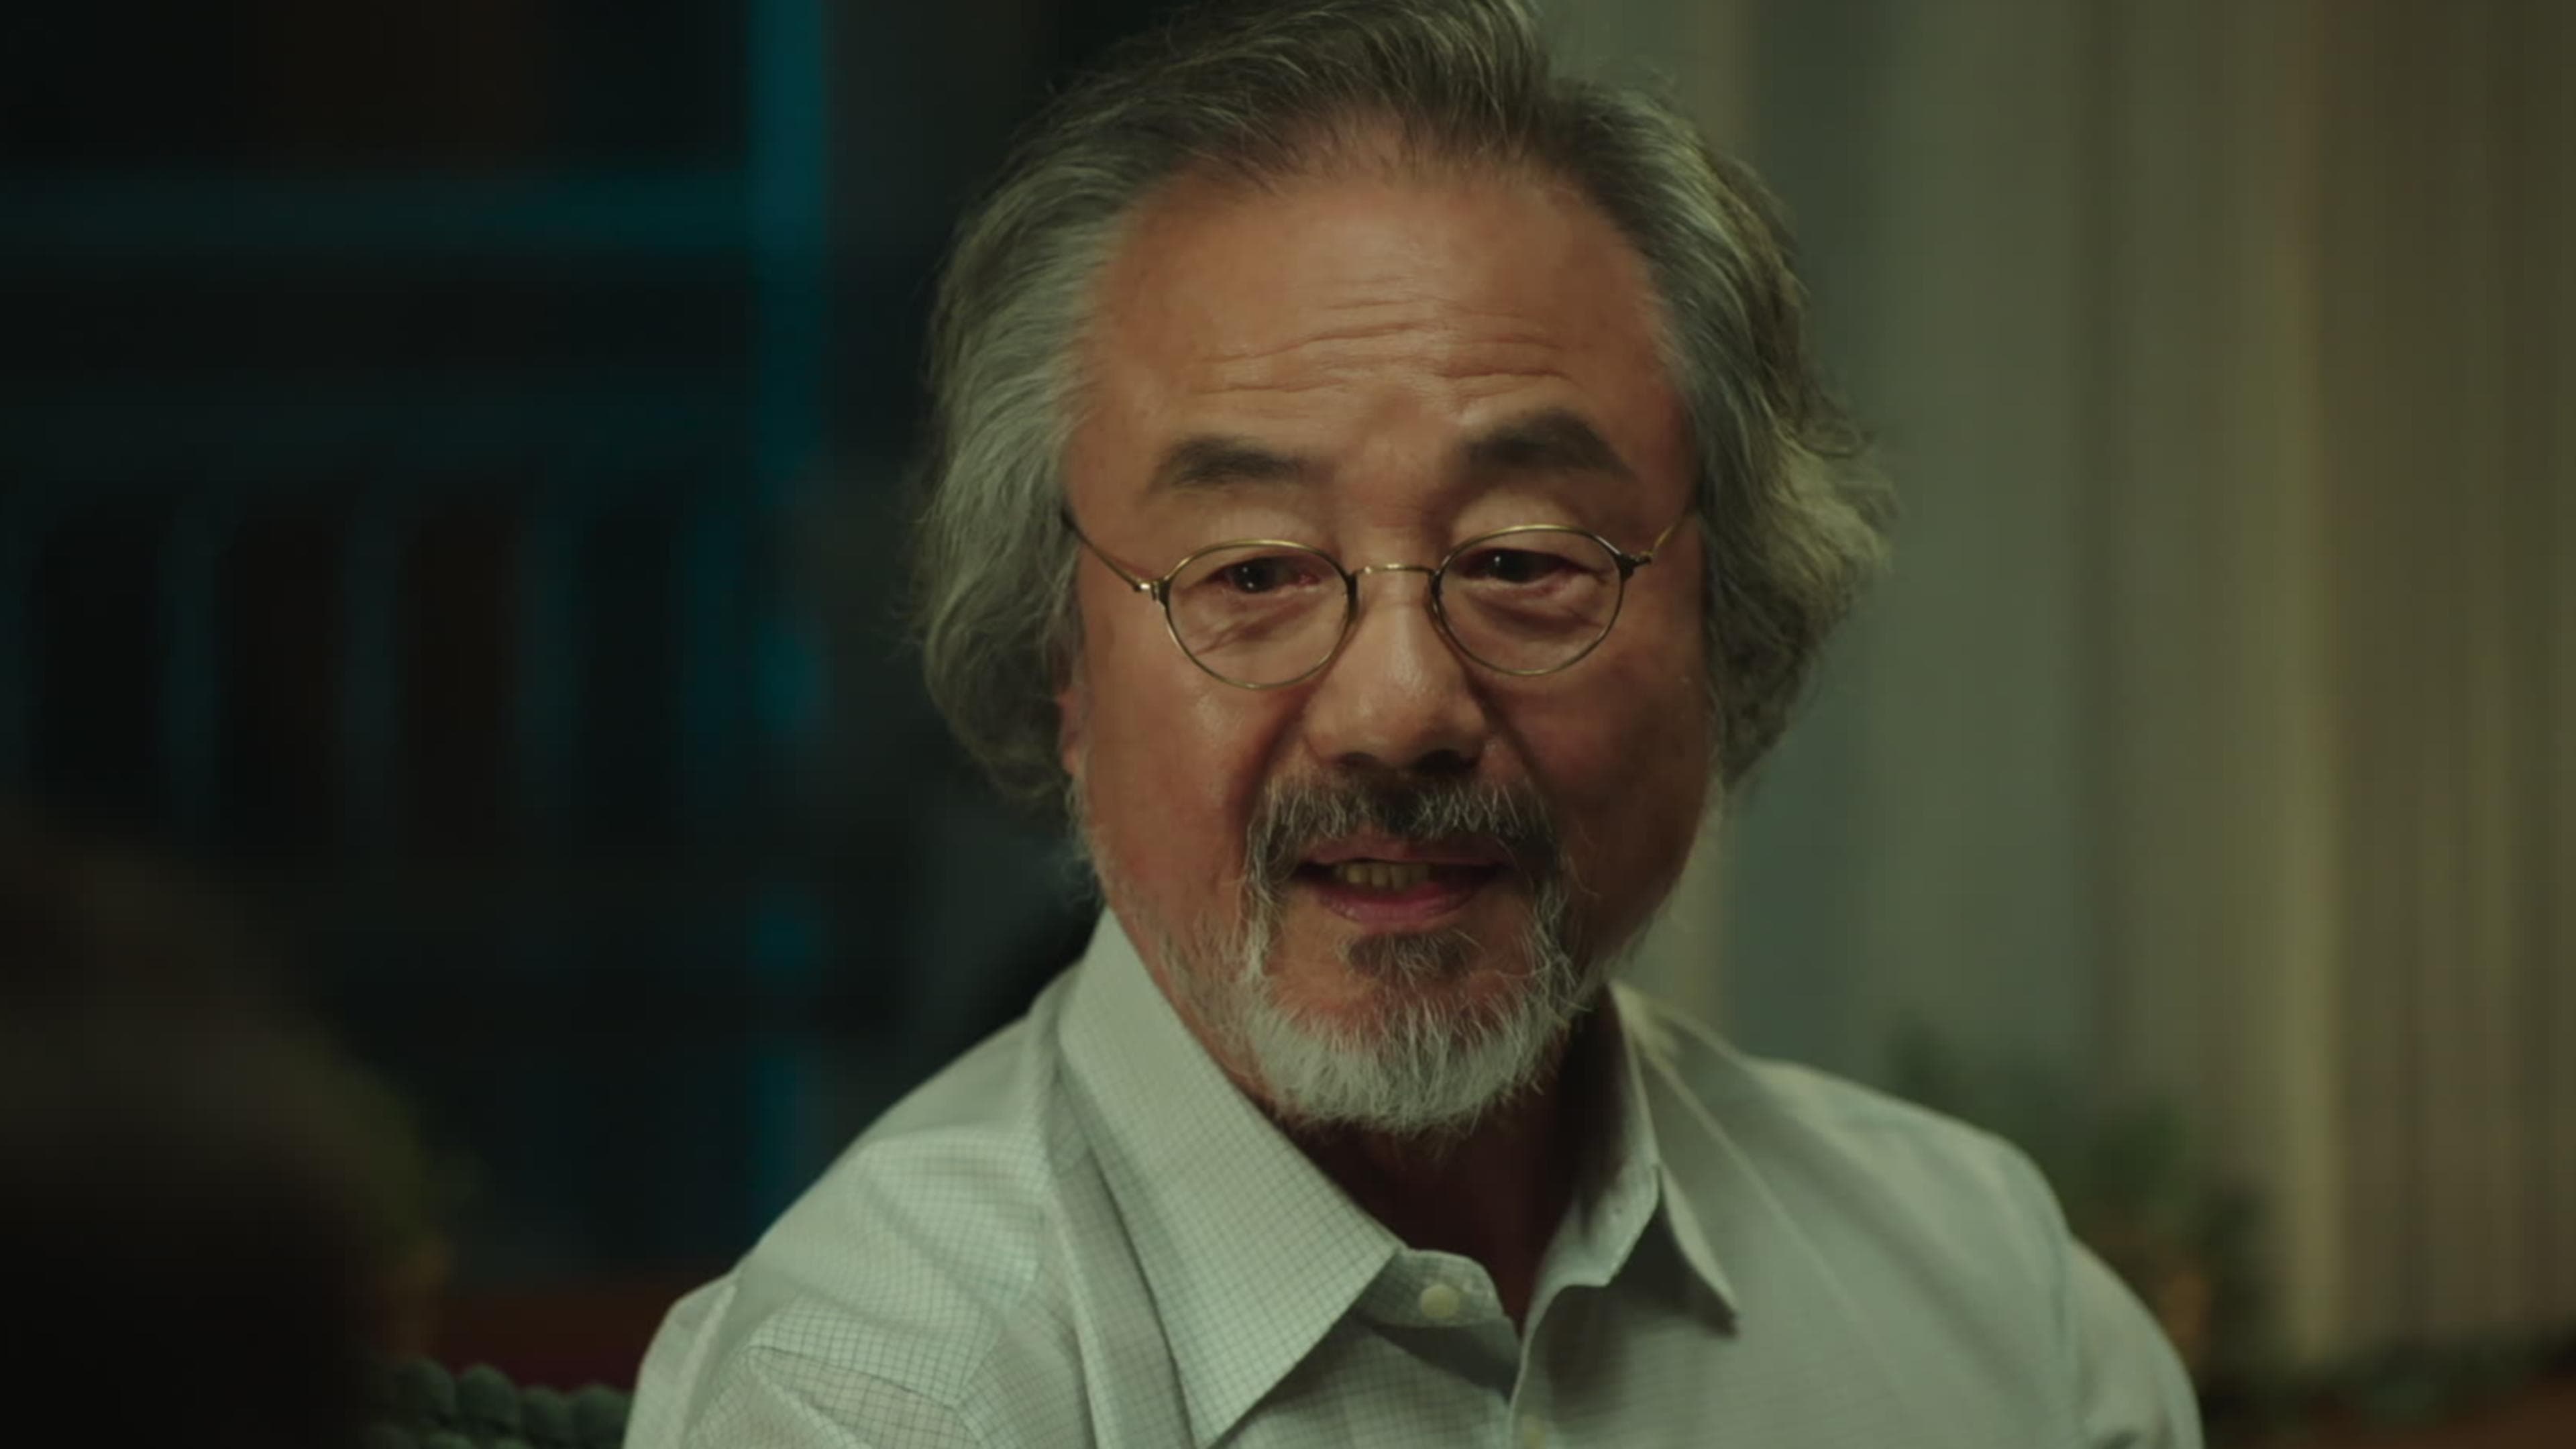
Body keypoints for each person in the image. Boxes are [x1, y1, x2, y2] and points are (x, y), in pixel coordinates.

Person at [628, 1, 2204, 1444]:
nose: (1396, 710)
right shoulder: (875, 1396)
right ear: (1066, 666)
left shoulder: (1999, 1311)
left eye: (1523, 562)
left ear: (1728, 622)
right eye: (1253, 572)